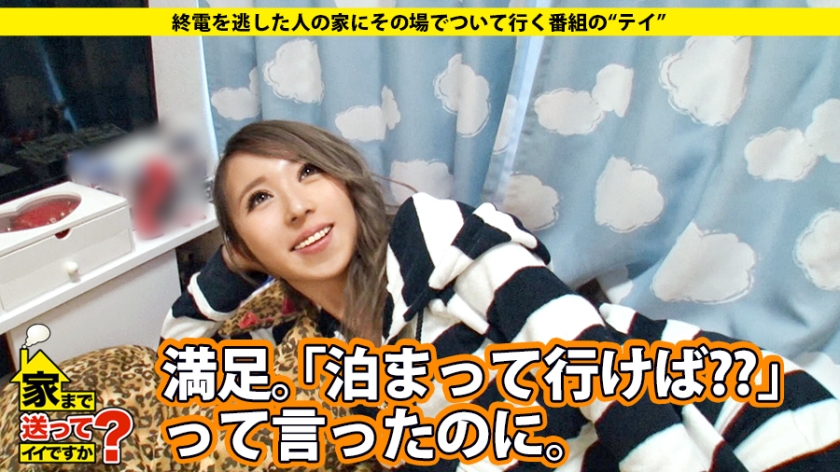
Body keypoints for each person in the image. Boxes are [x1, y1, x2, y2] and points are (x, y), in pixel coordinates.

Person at [162, 120, 840, 472]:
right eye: (260, 199)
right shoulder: (305, 340)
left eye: (309, 172)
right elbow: (180, 353)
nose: (296, 207)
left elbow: (596, 365)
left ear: (344, 183)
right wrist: (234, 263)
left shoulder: (435, 239)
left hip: (692, 416)